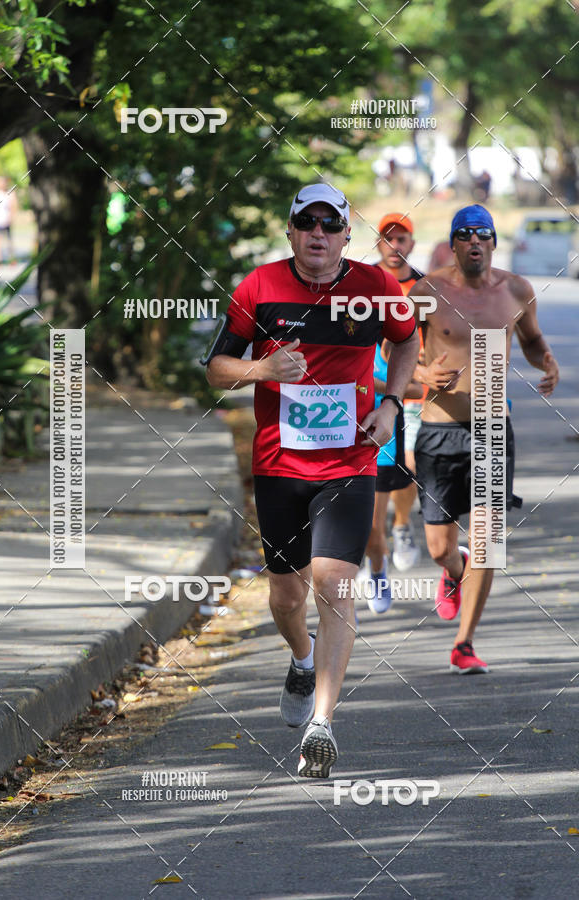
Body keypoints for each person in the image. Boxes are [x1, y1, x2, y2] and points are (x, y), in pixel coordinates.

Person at [206, 183, 419, 776]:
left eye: (331, 225)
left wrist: (392, 403)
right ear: (292, 230)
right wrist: (262, 367)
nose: (318, 234)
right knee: (285, 594)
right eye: (308, 224)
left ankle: (323, 722)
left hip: (350, 461)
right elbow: (216, 372)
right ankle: (301, 658)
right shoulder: (260, 287)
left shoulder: (376, 287)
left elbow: (407, 342)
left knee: (334, 584)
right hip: (280, 465)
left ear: (347, 234)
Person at [412, 204, 559, 673]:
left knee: (488, 539)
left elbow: (531, 339)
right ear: (454, 244)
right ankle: (452, 570)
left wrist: (547, 361)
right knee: (438, 545)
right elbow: (389, 351)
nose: (474, 242)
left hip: (495, 428)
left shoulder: (516, 289)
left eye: (483, 235)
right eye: (465, 235)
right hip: (438, 429)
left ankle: (465, 642)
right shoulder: (427, 291)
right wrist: (421, 374)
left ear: (493, 242)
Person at [375, 213, 425, 571]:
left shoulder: (426, 287)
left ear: (412, 244)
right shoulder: (363, 283)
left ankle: (402, 525)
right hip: (374, 390)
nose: (395, 246)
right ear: (378, 244)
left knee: (409, 466)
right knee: (375, 476)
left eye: (402, 238)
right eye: (387, 239)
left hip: (418, 391)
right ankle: (370, 547)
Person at [364, 337, 423, 613]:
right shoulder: (322, 338)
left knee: (372, 528)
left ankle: (377, 570)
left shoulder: (385, 344)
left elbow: (414, 388)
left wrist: (364, 382)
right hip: (331, 445)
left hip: (379, 445)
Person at [0, 176, 17, 265]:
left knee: (9, 240)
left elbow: (13, 206)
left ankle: (12, 259)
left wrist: (10, 218)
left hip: (6, 219)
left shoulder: (10, 193)